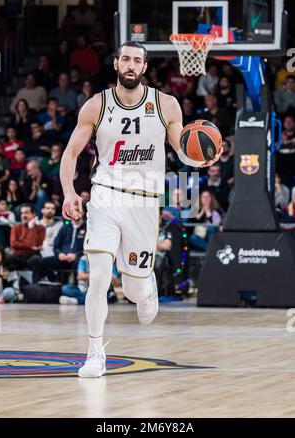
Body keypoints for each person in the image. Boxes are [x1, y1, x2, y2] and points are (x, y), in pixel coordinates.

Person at [59, 41, 222, 378]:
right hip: (105, 195)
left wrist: (203, 157)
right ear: (116, 63)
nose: (131, 65)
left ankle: (145, 286)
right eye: (126, 59)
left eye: (137, 60)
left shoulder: (165, 104)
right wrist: (68, 192)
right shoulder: (96, 105)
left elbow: (182, 149)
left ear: (145, 67)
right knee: (99, 277)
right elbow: (71, 154)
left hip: (144, 201)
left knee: (133, 292)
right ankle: (94, 353)